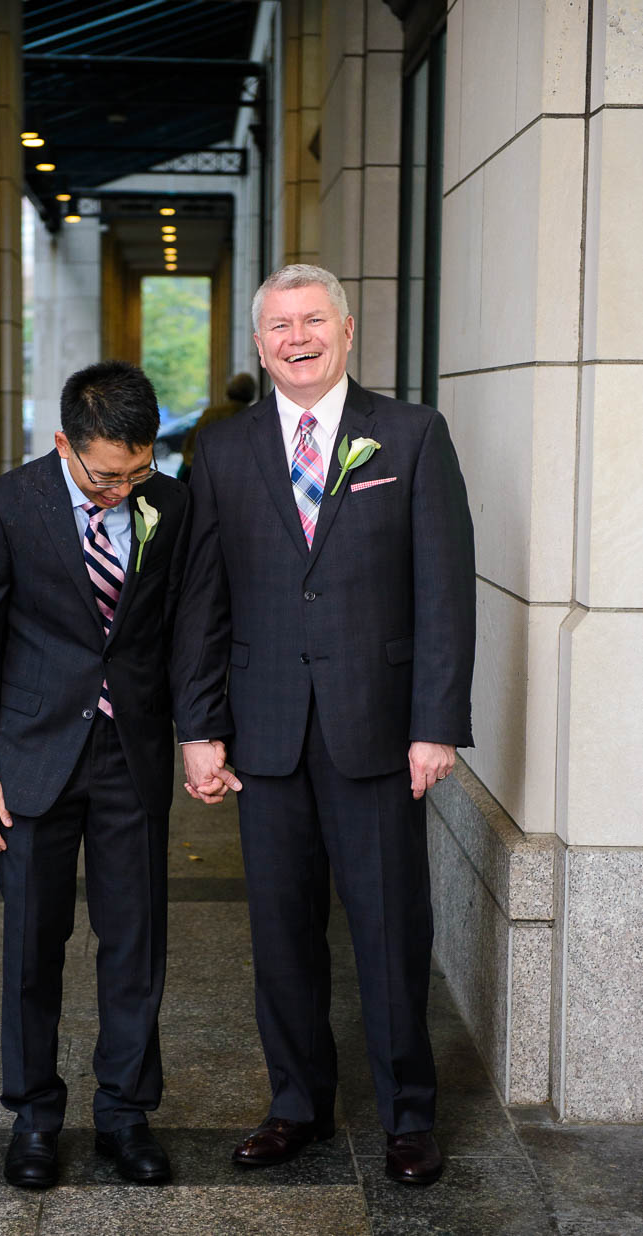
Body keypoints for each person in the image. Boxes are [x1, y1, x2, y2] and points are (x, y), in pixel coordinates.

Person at [172, 264, 475, 1186]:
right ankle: (295, 1104)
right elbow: (201, 602)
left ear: (347, 331)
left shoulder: (412, 435)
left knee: (390, 928)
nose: (294, 337)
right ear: (257, 345)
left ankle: (407, 1116)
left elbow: (444, 593)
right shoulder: (220, 453)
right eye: (277, 325)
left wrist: (435, 725)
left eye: (311, 320)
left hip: (377, 729)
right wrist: (198, 726)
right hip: (264, 732)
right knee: (281, 933)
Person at [0, 360, 191, 1190]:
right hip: (30, 758)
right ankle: (35, 1117)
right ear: (64, 444)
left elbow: (181, 628)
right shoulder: (3, 507)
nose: (123, 489)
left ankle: (124, 1113)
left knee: (134, 941)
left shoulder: (172, 503)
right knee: (32, 943)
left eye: (137, 470)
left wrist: (200, 734)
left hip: (133, 754)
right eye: (105, 474)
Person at [178, 371, 257, 479]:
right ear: (252, 394)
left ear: (228, 391)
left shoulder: (211, 414)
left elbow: (190, 446)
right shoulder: (255, 418)